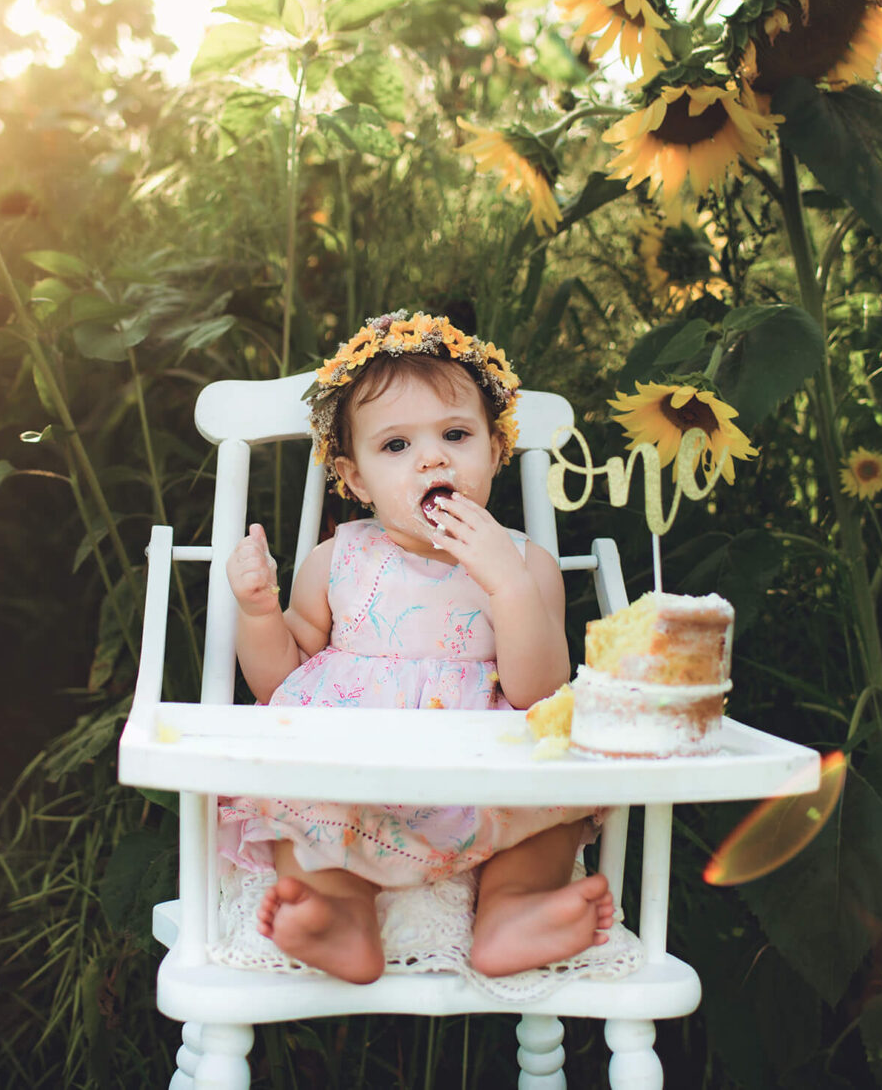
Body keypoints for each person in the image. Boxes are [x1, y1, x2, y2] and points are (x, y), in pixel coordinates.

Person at [220, 310, 611, 984]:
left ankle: (513, 912)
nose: (431, 458)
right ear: (357, 477)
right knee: (296, 800)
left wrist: (507, 584)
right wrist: (257, 612)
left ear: (493, 452)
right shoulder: (336, 559)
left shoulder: (524, 562)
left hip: (481, 780)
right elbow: (275, 683)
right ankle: (340, 917)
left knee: (551, 808)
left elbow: (538, 692)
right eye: (395, 446)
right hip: (357, 772)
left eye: (455, 435)